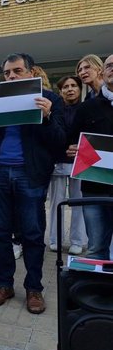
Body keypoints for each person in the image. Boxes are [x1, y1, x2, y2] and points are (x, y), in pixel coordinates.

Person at [0, 53, 65, 314]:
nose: (11, 76)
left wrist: (46, 116)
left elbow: (59, 141)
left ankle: (34, 289)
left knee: (33, 234)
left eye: (17, 71)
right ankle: (4, 285)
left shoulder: (50, 99)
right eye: (7, 73)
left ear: (31, 72)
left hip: (30, 175)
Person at [68, 54, 113, 260]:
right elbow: (70, 141)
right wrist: (72, 149)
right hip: (94, 189)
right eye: (110, 66)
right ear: (103, 72)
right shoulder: (87, 107)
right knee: (96, 249)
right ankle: (98, 291)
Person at [48, 75, 87, 255]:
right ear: (60, 91)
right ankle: (55, 239)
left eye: (73, 86)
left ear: (79, 89)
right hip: (58, 160)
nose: (70, 89)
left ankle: (77, 241)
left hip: (81, 161)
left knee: (78, 203)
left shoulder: (86, 109)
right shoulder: (56, 110)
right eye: (65, 87)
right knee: (57, 202)